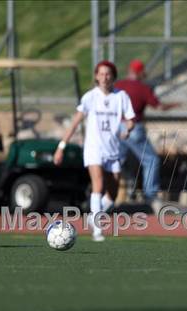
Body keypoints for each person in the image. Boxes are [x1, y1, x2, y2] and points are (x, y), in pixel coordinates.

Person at [53, 60, 135, 242]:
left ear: (113, 76)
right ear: (96, 76)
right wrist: (61, 147)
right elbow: (74, 123)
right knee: (97, 185)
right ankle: (97, 230)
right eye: (101, 74)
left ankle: (93, 216)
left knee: (112, 195)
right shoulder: (90, 97)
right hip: (94, 149)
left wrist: (128, 129)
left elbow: (130, 119)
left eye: (108, 74)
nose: (105, 77)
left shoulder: (121, 96)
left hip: (113, 150)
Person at [114, 59, 179, 205]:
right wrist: (175, 104)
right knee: (151, 160)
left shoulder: (118, 85)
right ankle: (150, 195)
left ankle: (108, 190)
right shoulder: (142, 88)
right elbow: (160, 107)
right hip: (133, 127)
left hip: (117, 126)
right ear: (140, 72)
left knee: (116, 161)